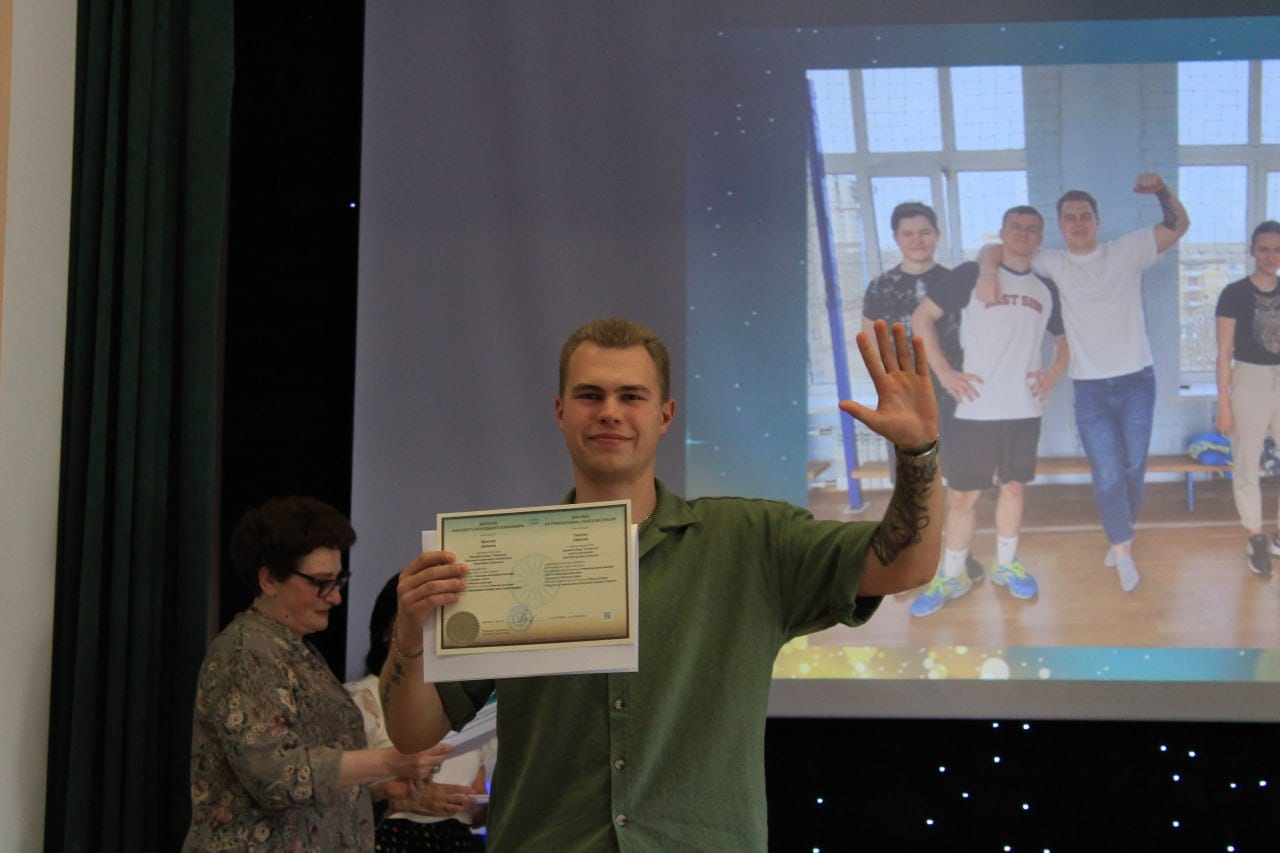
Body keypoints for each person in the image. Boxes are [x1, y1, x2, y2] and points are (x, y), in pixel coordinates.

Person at [378, 316, 942, 851]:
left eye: (632, 396)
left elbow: (905, 566)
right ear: (560, 411)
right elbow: (412, 732)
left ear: (665, 415)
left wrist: (918, 453)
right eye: (590, 395)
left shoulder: (751, 540)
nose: (610, 412)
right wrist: (409, 629)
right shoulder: (502, 561)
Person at [184, 496, 450, 852]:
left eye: (338, 581)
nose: (335, 598)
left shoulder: (295, 649)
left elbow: (311, 785)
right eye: (321, 583)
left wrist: (382, 791)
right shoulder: (245, 651)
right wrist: (389, 761)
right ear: (269, 580)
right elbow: (277, 776)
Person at [977, 173, 1190, 592]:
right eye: (1070, 217)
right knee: (1107, 471)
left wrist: (1162, 191)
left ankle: (1120, 533)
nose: (1078, 223)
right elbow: (994, 249)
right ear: (1060, 226)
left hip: (1137, 381)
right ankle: (1121, 547)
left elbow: (1179, 224)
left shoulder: (1127, 250)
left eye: (1085, 216)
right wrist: (986, 274)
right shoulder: (1051, 262)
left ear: (1097, 221)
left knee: (1133, 466)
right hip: (1089, 388)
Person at [910, 206, 1069, 616]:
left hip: (1023, 408)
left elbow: (1064, 340)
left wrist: (1053, 373)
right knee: (963, 496)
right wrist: (945, 373)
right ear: (1002, 232)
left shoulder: (1045, 289)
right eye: (1015, 227)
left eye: (1031, 229)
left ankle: (1006, 565)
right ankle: (952, 575)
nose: (1022, 234)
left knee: (1014, 488)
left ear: (1039, 239)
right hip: (974, 408)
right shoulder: (971, 275)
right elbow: (921, 319)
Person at [862, 200, 983, 582]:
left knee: (958, 483)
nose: (917, 240)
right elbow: (869, 339)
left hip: (953, 397)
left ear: (937, 235)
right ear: (896, 238)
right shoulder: (881, 286)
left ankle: (958, 557)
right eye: (909, 233)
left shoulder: (954, 281)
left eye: (924, 232)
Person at [347, 574, 495, 851]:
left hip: (458, 841)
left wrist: (477, 805)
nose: (432, 636)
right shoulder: (358, 698)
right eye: (420, 622)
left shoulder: (472, 704)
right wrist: (396, 797)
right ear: (386, 631)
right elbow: (328, 791)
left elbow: (480, 802)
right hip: (390, 840)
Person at [1214, 220, 1280, 576]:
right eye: (1264, 249)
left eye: (1277, 249)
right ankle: (1255, 536)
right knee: (1246, 461)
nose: (1271, 256)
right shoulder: (1234, 293)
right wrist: (1224, 404)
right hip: (1249, 379)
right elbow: (1224, 352)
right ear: (1253, 250)